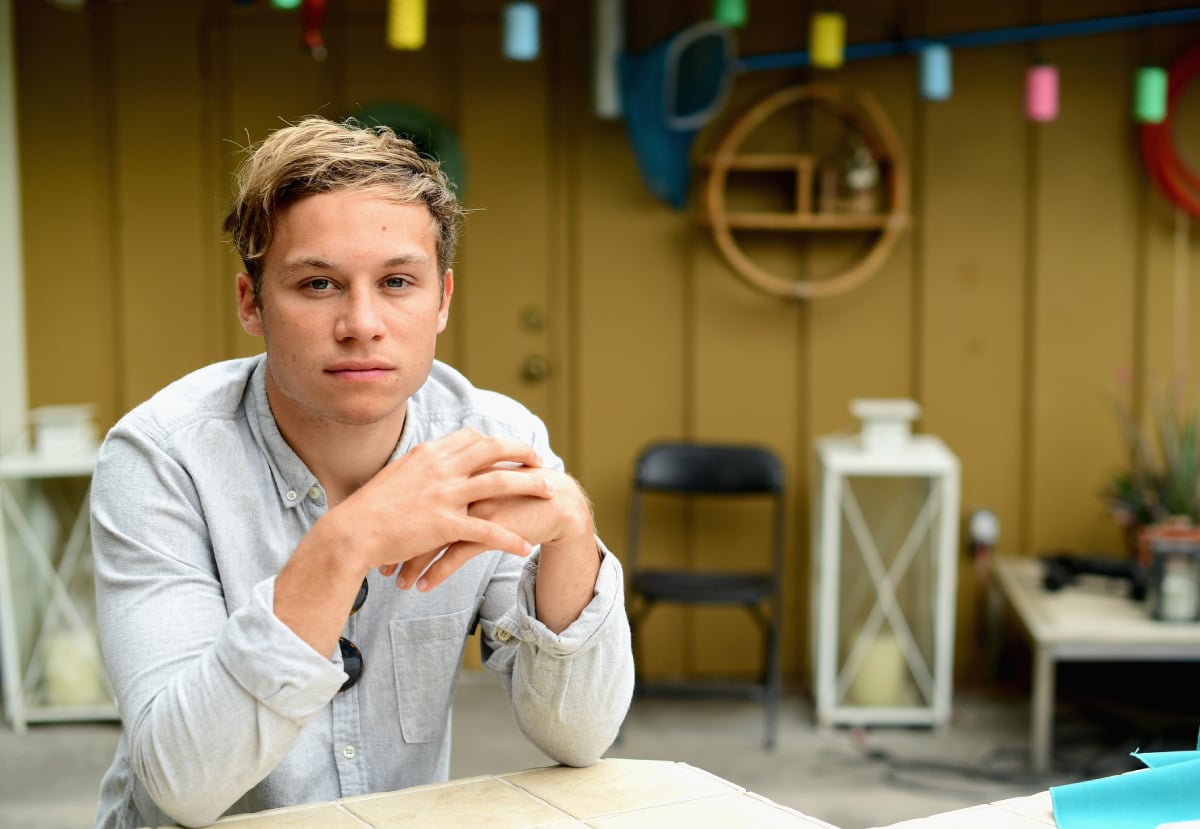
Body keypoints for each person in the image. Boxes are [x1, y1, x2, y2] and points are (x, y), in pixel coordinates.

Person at [90, 116, 634, 829]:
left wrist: (571, 530)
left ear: (440, 300)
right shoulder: (162, 459)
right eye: (318, 284)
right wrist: (346, 544)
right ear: (252, 303)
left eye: (397, 281)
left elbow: (579, 736)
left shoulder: (497, 440)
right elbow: (182, 785)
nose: (362, 322)